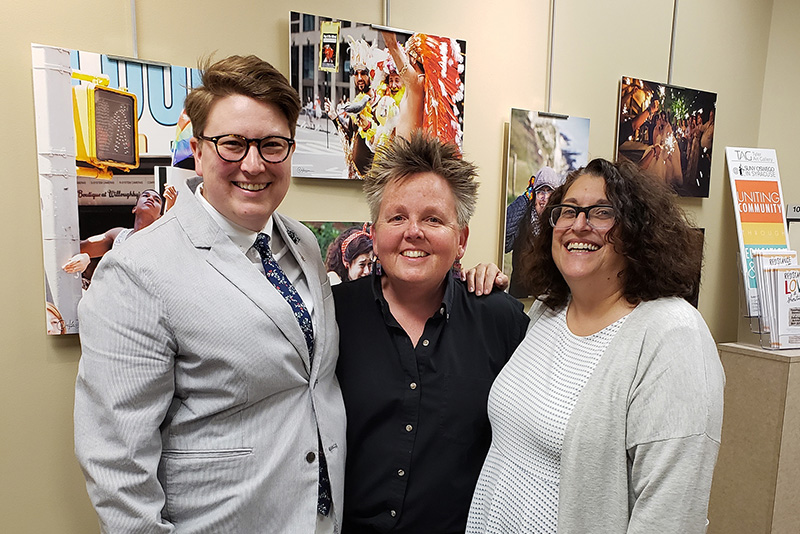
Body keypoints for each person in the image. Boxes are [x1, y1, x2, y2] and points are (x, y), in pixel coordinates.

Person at [74, 55, 345, 533]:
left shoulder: (301, 244)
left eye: (272, 145)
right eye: (233, 144)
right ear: (197, 151)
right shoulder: (138, 269)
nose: (254, 163)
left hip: (316, 516)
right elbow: (116, 463)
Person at [467, 158, 724, 533]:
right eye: (567, 211)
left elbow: (671, 515)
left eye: (602, 212)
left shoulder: (672, 335)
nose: (579, 225)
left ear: (639, 229)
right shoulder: (548, 310)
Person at [334, 132, 529, 533]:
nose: (414, 232)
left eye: (433, 219)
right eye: (397, 217)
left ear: (461, 240)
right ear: (373, 232)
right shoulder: (333, 315)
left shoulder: (500, 320)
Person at [62, 187, 176, 276]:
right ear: (134, 208)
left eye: (157, 200)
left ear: (160, 217)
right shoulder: (118, 235)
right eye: (145, 196)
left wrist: (171, 210)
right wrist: (85, 257)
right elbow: (79, 248)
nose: (150, 198)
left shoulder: (161, 237)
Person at [504, 167, 564, 297]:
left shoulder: (559, 223)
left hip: (548, 298)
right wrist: (525, 198)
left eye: (549, 192)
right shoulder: (523, 219)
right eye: (540, 191)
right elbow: (505, 242)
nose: (544, 197)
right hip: (520, 295)